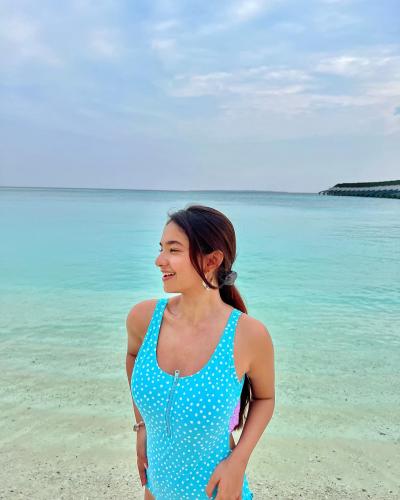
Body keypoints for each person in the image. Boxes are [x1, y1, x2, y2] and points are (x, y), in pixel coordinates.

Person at [126, 204, 275, 499]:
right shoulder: (143, 319)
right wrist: (141, 425)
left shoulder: (248, 335)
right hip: (156, 491)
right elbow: (133, 357)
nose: (159, 260)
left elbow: (265, 398)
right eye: (161, 248)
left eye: (173, 250)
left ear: (212, 261)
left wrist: (238, 462)